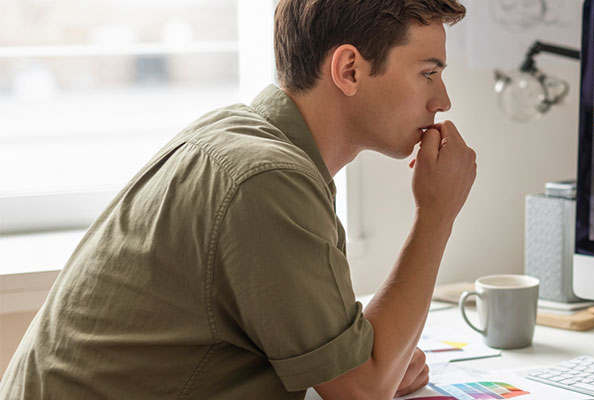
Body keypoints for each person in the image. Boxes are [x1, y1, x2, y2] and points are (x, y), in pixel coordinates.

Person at [0, 1, 474, 399]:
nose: (443, 100)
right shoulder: (267, 180)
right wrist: (437, 214)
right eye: (428, 73)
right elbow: (364, 389)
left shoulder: (244, 135)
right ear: (349, 69)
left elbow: (356, 370)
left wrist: (372, 364)